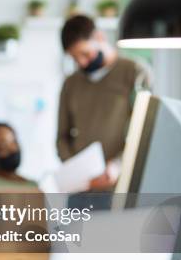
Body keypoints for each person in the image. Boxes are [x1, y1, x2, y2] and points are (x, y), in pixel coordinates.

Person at [57, 15, 151, 191]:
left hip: (122, 185)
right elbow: (61, 137)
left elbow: (146, 132)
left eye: (85, 54)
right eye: (75, 58)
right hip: (82, 189)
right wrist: (74, 170)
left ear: (100, 38)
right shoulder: (71, 83)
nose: (82, 62)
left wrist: (117, 165)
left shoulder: (135, 72)